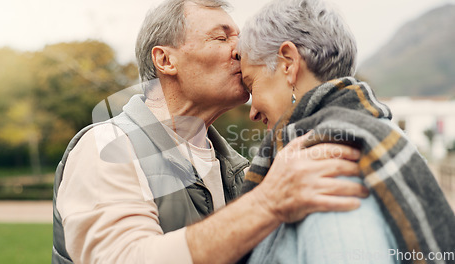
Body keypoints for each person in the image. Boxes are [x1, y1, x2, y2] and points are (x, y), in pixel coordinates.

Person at [51, 0, 370, 263]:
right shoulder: (106, 146)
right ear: (165, 60)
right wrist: (266, 204)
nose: (241, 51)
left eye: (240, 38)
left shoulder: (242, 170)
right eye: (222, 37)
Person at [238, 0, 455, 263]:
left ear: (288, 63)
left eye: (252, 84)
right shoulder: (381, 137)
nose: (252, 111)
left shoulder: (324, 163)